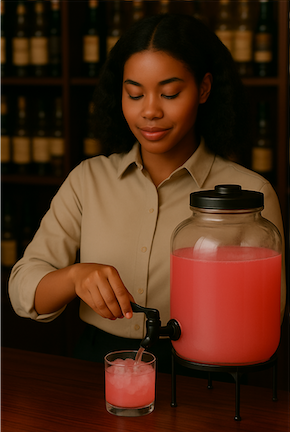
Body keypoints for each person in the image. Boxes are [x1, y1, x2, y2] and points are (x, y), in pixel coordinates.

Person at [9, 14, 286, 373]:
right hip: (99, 365)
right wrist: (75, 277)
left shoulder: (250, 194)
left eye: (170, 93)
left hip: (206, 374)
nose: (150, 111)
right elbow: (22, 290)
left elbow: (266, 318)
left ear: (204, 89)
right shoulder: (88, 179)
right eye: (134, 94)